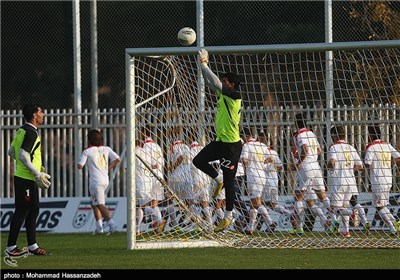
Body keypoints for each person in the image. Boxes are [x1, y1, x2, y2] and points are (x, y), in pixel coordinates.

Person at [193, 48, 243, 232]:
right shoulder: (224, 95)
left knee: (231, 183)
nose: (221, 83)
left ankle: (228, 217)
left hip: (231, 146)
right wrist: (202, 68)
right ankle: (218, 178)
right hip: (220, 141)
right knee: (198, 160)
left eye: (224, 81)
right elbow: (211, 82)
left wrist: (205, 63)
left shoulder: (235, 96)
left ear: (231, 84)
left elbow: (214, 81)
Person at [5, 103, 51, 256]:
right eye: (41, 112)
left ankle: (32, 245)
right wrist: (36, 173)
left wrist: (36, 167)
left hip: (25, 177)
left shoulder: (21, 130)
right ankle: (10, 248)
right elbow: (23, 155)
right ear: (34, 115)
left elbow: (11, 151)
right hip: (26, 178)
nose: (43, 114)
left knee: (33, 210)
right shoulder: (31, 132)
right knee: (22, 210)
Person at [290, 113, 334, 233]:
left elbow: (305, 149)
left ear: (296, 123)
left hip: (306, 167)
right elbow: (319, 150)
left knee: (298, 198)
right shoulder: (311, 134)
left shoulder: (300, 134)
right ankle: (332, 219)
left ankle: (299, 228)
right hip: (316, 166)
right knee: (322, 196)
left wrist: (299, 161)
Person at [78, 129, 121, 235]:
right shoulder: (106, 149)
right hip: (104, 179)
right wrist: (108, 168)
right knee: (94, 203)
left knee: (100, 204)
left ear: (89, 140)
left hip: (95, 181)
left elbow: (80, 166)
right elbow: (118, 159)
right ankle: (99, 228)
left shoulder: (87, 151)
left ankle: (112, 225)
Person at [327, 125, 366, 237]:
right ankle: (346, 231)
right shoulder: (351, 147)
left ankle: (352, 213)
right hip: (351, 182)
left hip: (339, 182)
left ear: (334, 135)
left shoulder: (334, 147)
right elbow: (361, 166)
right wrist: (349, 169)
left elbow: (333, 161)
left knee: (334, 209)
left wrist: (328, 166)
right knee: (343, 207)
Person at [364, 125, 400, 235]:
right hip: (388, 179)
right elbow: (398, 157)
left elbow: (367, 163)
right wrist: (390, 164)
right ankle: (394, 230)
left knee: (379, 206)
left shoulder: (371, 147)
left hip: (378, 180)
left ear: (370, 136)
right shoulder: (386, 145)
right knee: (382, 205)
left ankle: (395, 222)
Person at [241, 128, 276, 234]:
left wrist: (248, 164)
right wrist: (260, 163)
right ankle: (251, 228)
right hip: (262, 175)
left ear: (245, 137)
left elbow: (245, 160)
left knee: (255, 201)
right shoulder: (262, 145)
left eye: (242, 137)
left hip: (253, 176)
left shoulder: (247, 146)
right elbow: (270, 159)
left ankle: (268, 223)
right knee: (255, 202)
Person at [142, 133, 167, 233]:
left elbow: (149, 163)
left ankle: (160, 221)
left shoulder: (144, 146)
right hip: (159, 176)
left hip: (150, 177)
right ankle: (158, 227)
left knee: (142, 205)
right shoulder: (157, 146)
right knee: (154, 205)